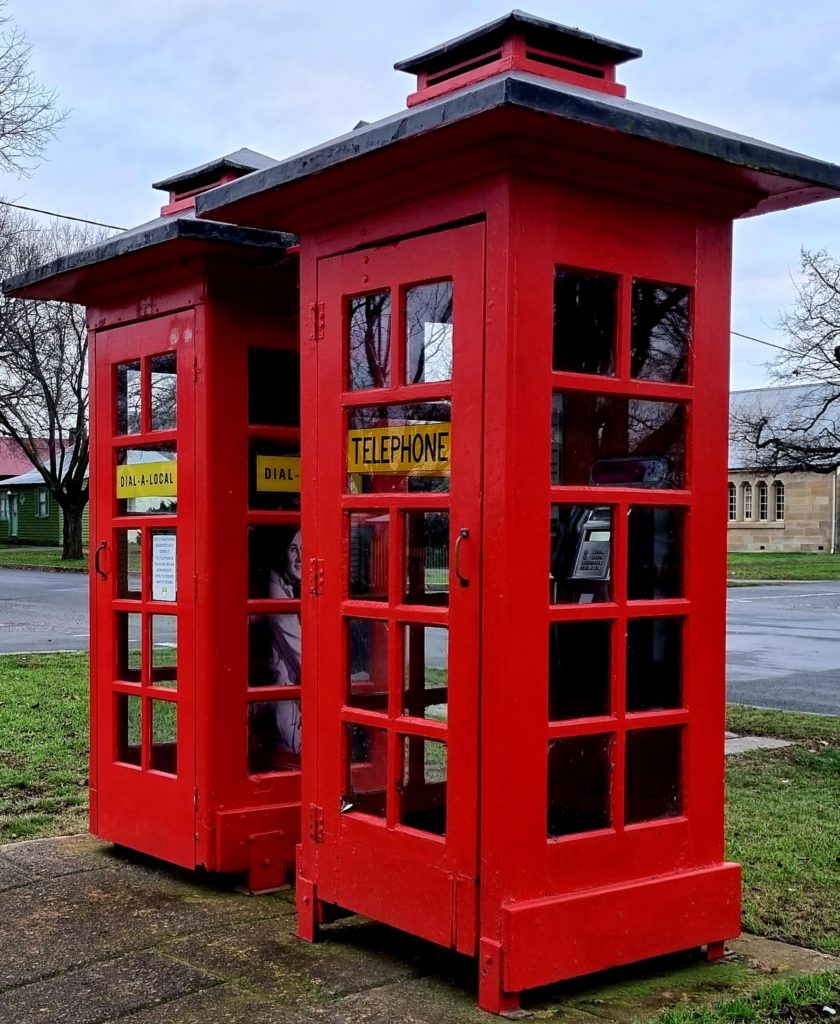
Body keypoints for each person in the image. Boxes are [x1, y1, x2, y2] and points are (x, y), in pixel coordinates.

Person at [268, 529, 302, 755]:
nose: (301, 557)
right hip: (287, 709)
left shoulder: (287, 588)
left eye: (303, 547)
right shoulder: (276, 595)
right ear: (281, 554)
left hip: (293, 702)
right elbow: (304, 655)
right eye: (293, 549)